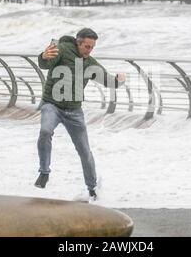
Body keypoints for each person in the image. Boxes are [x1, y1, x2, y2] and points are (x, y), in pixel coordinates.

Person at [35, 28, 126, 200]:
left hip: (74, 111)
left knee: (84, 151)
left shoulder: (90, 63)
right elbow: (45, 63)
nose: (89, 50)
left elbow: (108, 81)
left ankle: (92, 189)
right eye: (86, 46)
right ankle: (44, 172)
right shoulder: (61, 49)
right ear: (78, 43)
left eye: (92, 47)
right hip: (52, 105)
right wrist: (43, 56)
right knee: (45, 131)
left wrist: (119, 81)